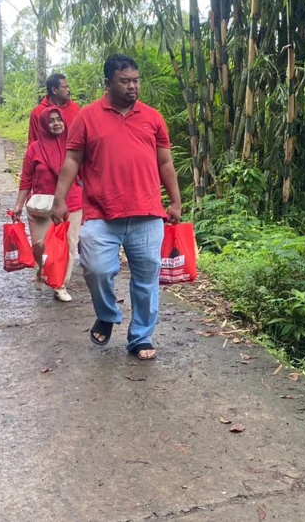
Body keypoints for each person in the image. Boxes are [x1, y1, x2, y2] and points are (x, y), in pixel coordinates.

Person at [51, 55, 180, 361]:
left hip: (147, 213)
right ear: (108, 83)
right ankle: (107, 314)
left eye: (136, 80)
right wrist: (59, 198)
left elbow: (165, 161)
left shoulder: (152, 117)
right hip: (101, 212)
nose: (132, 86)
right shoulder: (87, 117)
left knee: (146, 281)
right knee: (96, 269)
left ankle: (140, 337)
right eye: (125, 81)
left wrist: (175, 200)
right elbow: (72, 160)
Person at [12, 106, 82, 301]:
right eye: (50, 121)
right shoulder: (35, 148)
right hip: (41, 206)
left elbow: (88, 174)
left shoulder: (74, 145)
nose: (56, 123)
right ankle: (42, 269)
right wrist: (18, 204)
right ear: (43, 125)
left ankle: (60, 285)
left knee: (68, 245)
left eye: (58, 119)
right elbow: (26, 179)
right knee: (40, 246)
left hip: (72, 203)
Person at [28, 74, 80, 145]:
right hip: (48, 155)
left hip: (72, 154)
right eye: (64, 87)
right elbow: (33, 141)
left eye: (68, 87)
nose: (68, 90)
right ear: (54, 90)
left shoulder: (75, 108)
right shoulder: (38, 112)